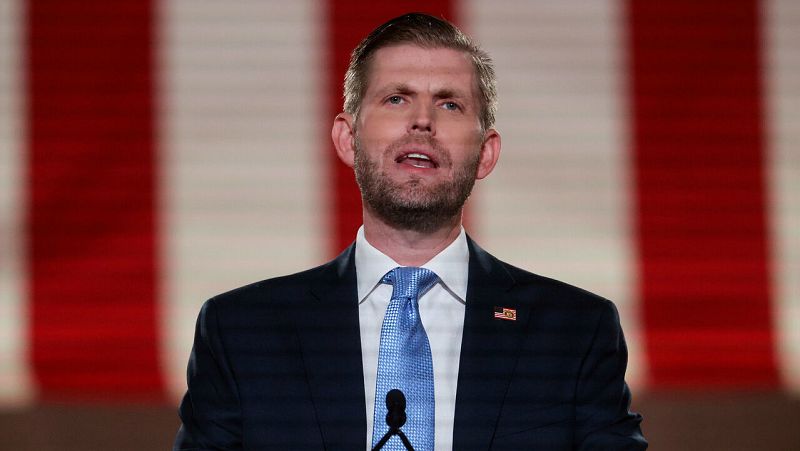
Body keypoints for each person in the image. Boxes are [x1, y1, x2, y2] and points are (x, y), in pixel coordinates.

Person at [173, 13, 647, 451]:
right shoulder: (242, 332)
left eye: (450, 103)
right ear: (348, 138)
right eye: (396, 98)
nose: (423, 121)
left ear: (486, 153)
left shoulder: (574, 332)